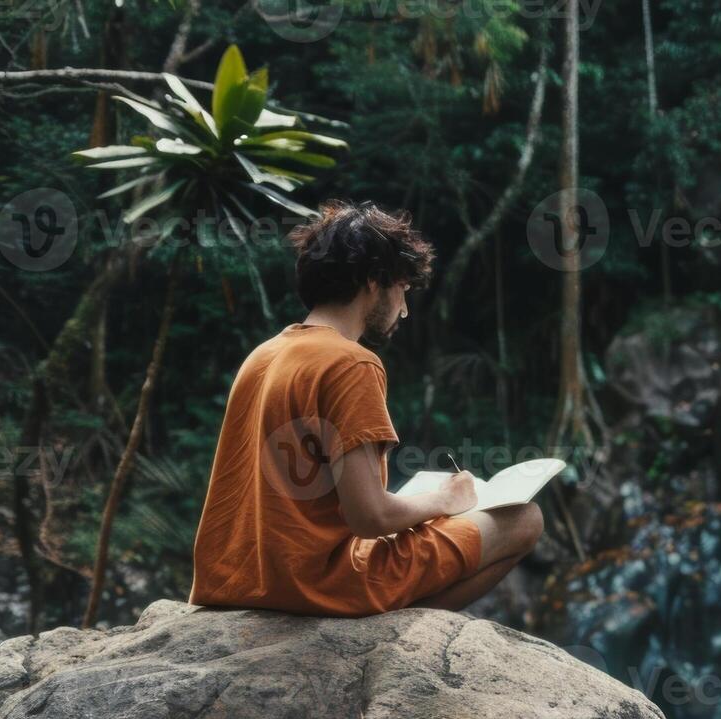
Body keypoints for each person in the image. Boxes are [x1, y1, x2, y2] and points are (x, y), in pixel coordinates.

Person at [189, 200, 542, 616]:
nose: (405, 309)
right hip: (317, 587)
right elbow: (370, 517)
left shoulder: (264, 355)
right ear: (375, 280)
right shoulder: (351, 364)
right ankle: (401, 627)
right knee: (526, 519)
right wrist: (446, 498)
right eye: (403, 290)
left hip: (233, 580)